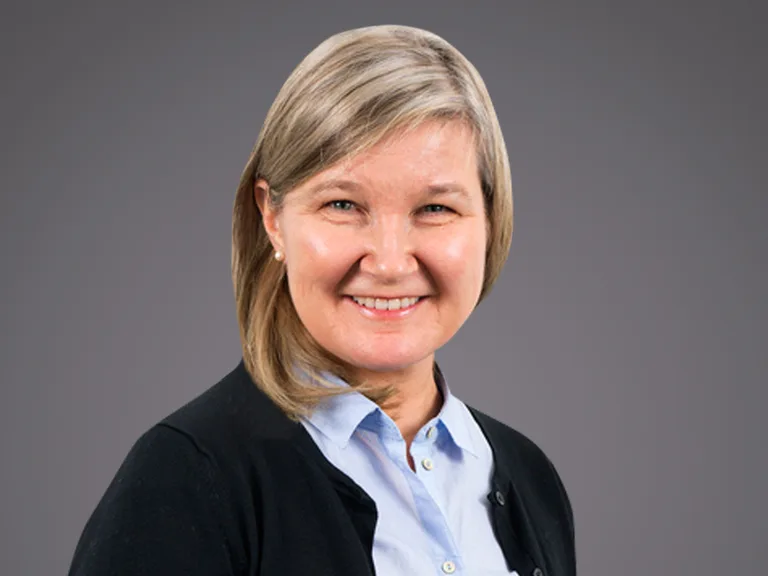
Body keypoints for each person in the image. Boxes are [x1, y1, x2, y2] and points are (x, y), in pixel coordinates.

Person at [68, 25, 575, 576]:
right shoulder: (186, 479)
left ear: (490, 220)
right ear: (272, 219)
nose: (388, 262)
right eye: (342, 204)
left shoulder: (529, 479)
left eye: (434, 209)